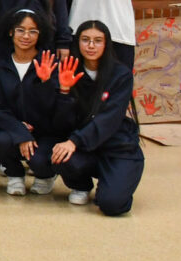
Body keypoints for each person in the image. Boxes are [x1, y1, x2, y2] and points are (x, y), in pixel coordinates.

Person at [53, 20, 144, 215]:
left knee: (112, 205)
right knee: (60, 154)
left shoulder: (121, 75)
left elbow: (109, 119)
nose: (91, 46)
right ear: (77, 43)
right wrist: (64, 91)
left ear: (106, 44)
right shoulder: (69, 71)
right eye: (85, 40)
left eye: (97, 41)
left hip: (118, 148)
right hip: (87, 149)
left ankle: (114, 180)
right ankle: (82, 185)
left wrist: (75, 141)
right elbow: (60, 123)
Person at [0, 8, 71, 197]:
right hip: (13, 128)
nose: (26, 36)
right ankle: (14, 174)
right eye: (21, 30)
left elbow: (54, 109)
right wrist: (20, 131)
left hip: (45, 132)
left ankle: (45, 176)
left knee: (40, 161)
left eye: (33, 31)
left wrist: (45, 82)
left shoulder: (49, 63)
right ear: (11, 32)